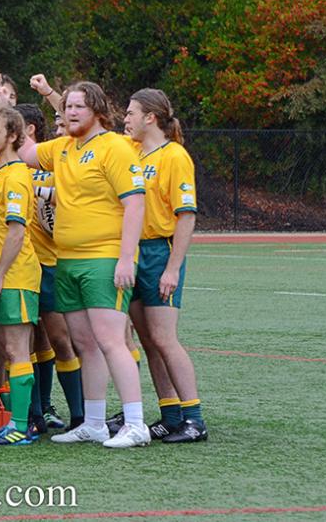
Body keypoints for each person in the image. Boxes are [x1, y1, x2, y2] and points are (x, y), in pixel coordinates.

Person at [20, 79, 151, 449]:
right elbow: (23, 151)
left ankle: (136, 422)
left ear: (96, 110)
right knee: (84, 343)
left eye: (78, 106)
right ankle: (93, 422)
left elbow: (135, 203)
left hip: (103, 257)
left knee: (111, 341)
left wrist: (126, 257)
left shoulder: (115, 147)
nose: (71, 113)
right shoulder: (63, 148)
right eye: (67, 107)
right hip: (68, 260)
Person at [123, 88, 207, 443]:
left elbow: (186, 216)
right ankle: (170, 414)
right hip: (135, 253)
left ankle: (194, 418)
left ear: (150, 118)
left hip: (159, 252)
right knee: (147, 338)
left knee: (164, 337)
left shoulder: (174, 156)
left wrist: (173, 267)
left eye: (130, 113)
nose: (124, 119)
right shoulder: (133, 152)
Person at [14, 103, 85, 433]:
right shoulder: (10, 165)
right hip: (23, 265)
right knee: (28, 342)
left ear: (27, 130)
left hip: (53, 265)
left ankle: (81, 415)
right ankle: (35, 413)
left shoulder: (55, 163)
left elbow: (68, 196)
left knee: (59, 339)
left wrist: (40, 192)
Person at [0, 106, 41, 446]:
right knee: (8, 348)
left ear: (13, 136)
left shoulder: (16, 175)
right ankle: (17, 422)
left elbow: (16, 232)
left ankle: (20, 426)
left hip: (16, 275)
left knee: (17, 351)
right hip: (3, 274)